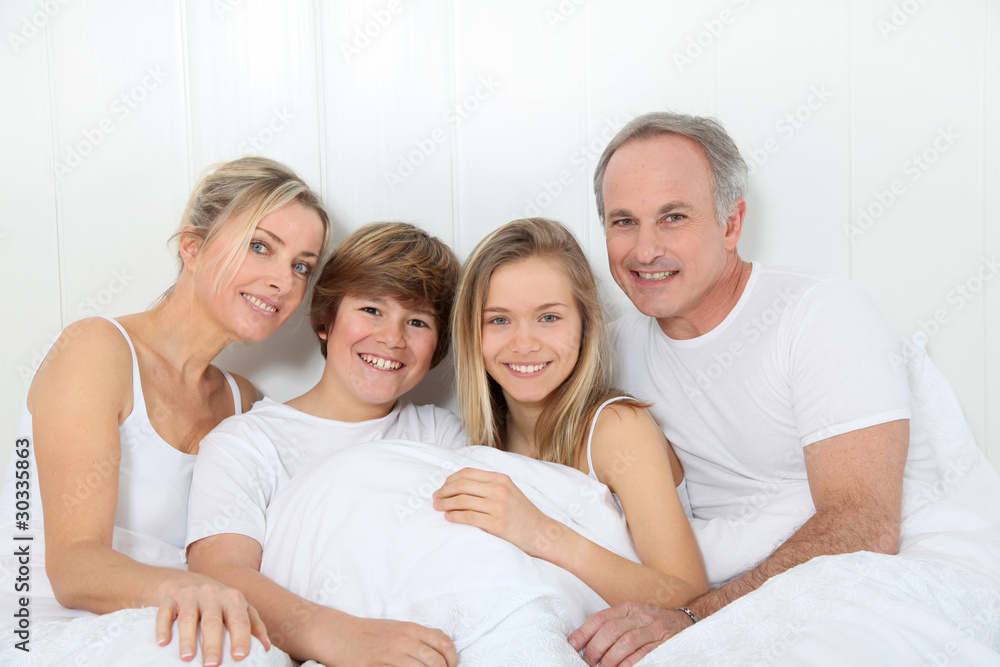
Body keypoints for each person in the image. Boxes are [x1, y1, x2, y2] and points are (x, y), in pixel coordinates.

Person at [567, 111, 1000, 666]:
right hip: (714, 580)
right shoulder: (612, 351)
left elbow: (863, 525)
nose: (645, 250)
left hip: (867, 573)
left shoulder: (818, 314)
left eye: (672, 217)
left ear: (731, 223)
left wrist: (693, 618)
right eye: (624, 222)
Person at [0, 156, 331, 666]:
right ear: (192, 247)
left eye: (301, 266)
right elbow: (72, 567)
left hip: (171, 627)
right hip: (41, 627)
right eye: (260, 246)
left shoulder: (243, 403)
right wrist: (194, 589)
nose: (283, 281)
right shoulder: (98, 349)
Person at [185, 222, 466, 667]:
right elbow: (220, 574)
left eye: (417, 321)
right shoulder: (246, 442)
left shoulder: (442, 436)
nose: (392, 338)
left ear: (438, 346)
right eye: (372, 309)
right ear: (326, 320)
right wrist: (345, 639)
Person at [434, 217, 708, 611]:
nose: (524, 343)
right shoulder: (482, 444)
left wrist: (539, 532)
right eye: (499, 320)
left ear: (584, 325)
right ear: (471, 333)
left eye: (549, 317)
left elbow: (689, 597)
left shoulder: (617, 430)